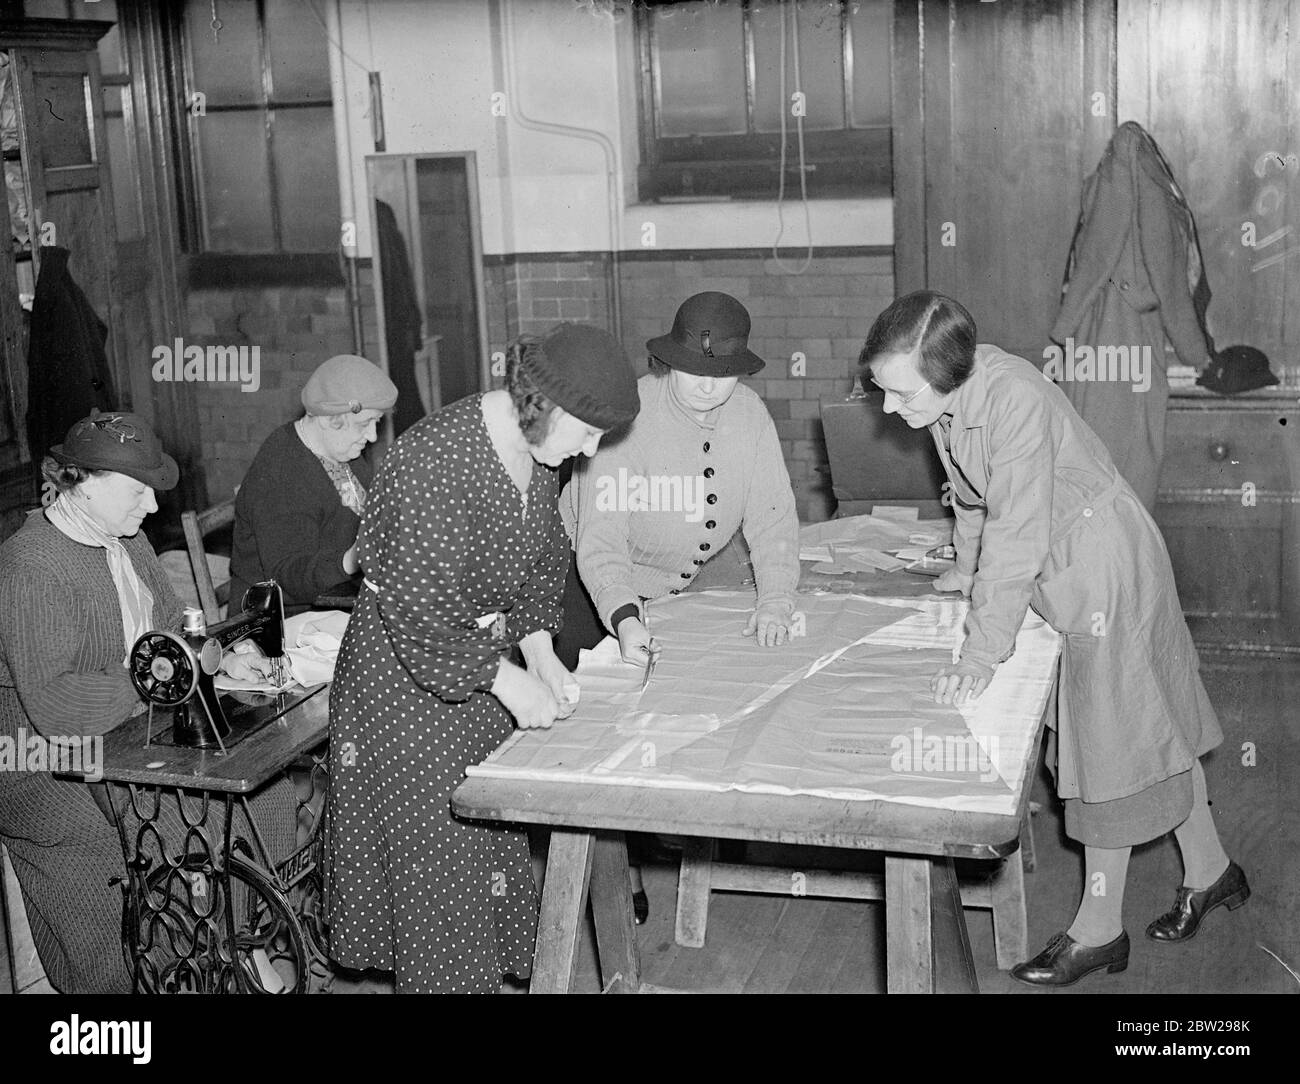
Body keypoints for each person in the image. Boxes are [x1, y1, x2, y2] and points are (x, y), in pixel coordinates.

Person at [859, 291, 1247, 987]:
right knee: (1147, 720)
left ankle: (1098, 933)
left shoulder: (1013, 400)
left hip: (1101, 563)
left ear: (948, 372)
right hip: (1065, 557)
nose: (888, 409)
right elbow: (972, 498)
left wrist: (982, 653)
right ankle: (1213, 871)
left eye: (900, 393)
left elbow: (1016, 534)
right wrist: (964, 569)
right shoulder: (948, 400)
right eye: (882, 389)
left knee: (1107, 745)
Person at [327, 322, 640, 993]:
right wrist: (509, 683)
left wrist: (540, 654)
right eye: (588, 432)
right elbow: (420, 611)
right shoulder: (434, 460)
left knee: (482, 847)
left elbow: (542, 562)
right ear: (544, 405)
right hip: (405, 680)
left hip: (474, 663)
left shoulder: (536, 452)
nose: (590, 450)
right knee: (439, 869)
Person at [0, 410, 297, 993]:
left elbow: (173, 631)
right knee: (113, 852)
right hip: (35, 755)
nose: (153, 505)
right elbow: (55, 706)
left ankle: (228, 945)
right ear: (82, 482)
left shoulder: (128, 542)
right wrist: (158, 678)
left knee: (263, 797)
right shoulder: (31, 566)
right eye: (137, 490)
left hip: (129, 728)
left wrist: (219, 659)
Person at [556, 291, 801, 921]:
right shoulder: (628, 416)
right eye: (694, 373)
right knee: (604, 734)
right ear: (668, 362)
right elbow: (601, 542)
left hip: (679, 580)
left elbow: (772, 518)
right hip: (587, 581)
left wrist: (776, 599)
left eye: (724, 375)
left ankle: (694, 829)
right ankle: (621, 872)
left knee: (693, 704)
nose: (709, 387)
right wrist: (624, 616)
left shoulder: (749, 415)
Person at [230, 354, 398, 616]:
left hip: (334, 598)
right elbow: (287, 577)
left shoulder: (343, 452)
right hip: (279, 618)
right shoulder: (282, 472)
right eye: (364, 424)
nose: (373, 436)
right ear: (329, 418)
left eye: (375, 422)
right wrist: (353, 559)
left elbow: (366, 509)